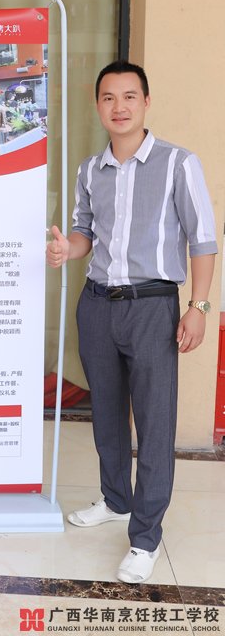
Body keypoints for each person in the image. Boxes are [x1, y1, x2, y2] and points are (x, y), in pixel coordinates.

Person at [46, 60, 217, 585]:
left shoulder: (178, 163)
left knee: (154, 420)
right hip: (97, 304)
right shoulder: (89, 170)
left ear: (145, 102)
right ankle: (116, 499)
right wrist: (67, 250)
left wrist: (199, 307)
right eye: (108, 98)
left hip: (152, 307)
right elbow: (84, 233)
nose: (118, 107)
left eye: (128, 97)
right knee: (107, 412)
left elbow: (203, 240)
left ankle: (145, 537)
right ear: (98, 105)